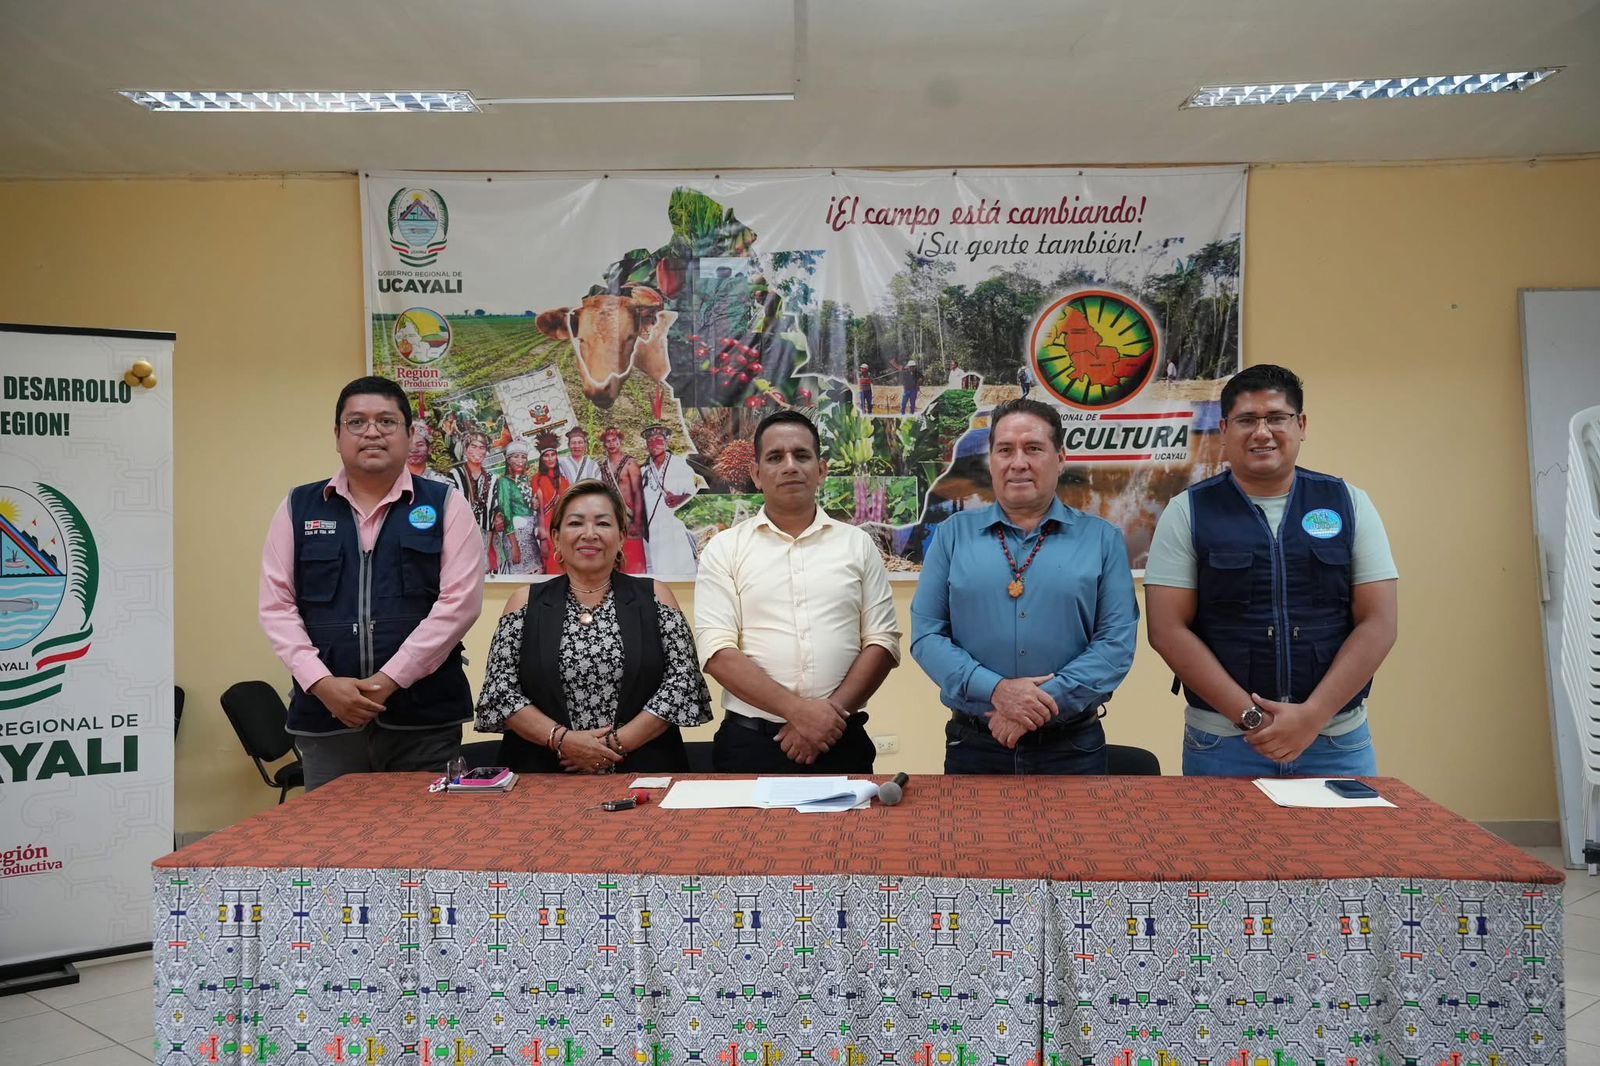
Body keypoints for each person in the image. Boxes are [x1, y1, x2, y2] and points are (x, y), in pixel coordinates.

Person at [1144, 364, 1398, 777]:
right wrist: (1253, 719)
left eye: (1277, 418)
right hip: (1225, 743)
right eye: (1246, 420)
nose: (1262, 433)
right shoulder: (1187, 512)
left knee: (1348, 827)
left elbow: (1379, 622)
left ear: (1301, 425)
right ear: (1224, 430)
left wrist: (1312, 716)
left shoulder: (1349, 503)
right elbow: (1167, 630)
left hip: (1335, 741)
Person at [259, 376, 485, 791]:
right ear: (337, 434)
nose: (372, 432)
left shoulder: (446, 504)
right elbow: (277, 607)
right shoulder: (298, 507)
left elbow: (460, 605)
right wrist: (321, 683)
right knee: (332, 831)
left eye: (386, 421)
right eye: (357, 422)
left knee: (424, 830)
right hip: (326, 719)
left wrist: (388, 681)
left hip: (424, 721)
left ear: (409, 434)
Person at [910, 397, 1138, 774]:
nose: (1018, 462)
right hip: (974, 746)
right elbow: (927, 635)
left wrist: (1035, 704)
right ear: (991, 460)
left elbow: (1116, 645)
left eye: (1033, 448)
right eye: (1005, 450)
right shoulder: (952, 536)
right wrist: (997, 691)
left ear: (1060, 458)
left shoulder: (1102, 540)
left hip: (1072, 749)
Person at [695, 410, 901, 772]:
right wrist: (800, 713)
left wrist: (825, 720)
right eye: (775, 457)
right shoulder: (724, 549)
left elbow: (882, 643)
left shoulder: (857, 545)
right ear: (756, 474)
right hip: (751, 746)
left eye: (801, 455)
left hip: (841, 740)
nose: (789, 466)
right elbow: (717, 652)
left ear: (821, 470)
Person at [475, 481, 712, 774]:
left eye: (603, 523)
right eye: (576, 523)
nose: (590, 534)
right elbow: (500, 690)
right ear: (556, 537)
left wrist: (611, 746)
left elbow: (682, 682)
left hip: (644, 769)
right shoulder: (524, 603)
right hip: (542, 772)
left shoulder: (655, 597)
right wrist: (563, 741)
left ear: (621, 537)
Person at [639, 424, 699, 577]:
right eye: (650, 441)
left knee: (680, 565)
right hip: (653, 528)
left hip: (674, 525)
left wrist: (680, 499)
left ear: (666, 442)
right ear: (646, 445)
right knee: (658, 568)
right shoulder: (643, 471)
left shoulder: (680, 465)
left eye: (658, 440)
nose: (654, 444)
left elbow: (693, 493)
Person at [598, 425, 649, 574]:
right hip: (612, 519)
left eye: (614, 440)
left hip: (630, 518)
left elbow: (638, 494)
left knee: (634, 561)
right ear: (604, 444)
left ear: (620, 441)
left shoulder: (630, 463)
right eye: (608, 441)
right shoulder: (602, 466)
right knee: (615, 559)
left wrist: (637, 522)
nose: (612, 444)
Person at [495, 440, 544, 575]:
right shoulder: (504, 482)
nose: (520, 461)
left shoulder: (526, 480)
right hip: (516, 537)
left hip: (531, 535)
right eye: (516, 457)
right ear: (508, 459)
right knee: (521, 575)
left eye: (523, 457)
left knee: (537, 572)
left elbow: (529, 503)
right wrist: (515, 546)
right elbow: (506, 513)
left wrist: (534, 503)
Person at [532, 432, 570, 575]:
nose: (550, 458)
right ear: (541, 458)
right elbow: (540, 511)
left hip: (565, 530)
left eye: (553, 455)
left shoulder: (564, 480)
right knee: (553, 568)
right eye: (546, 456)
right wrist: (543, 538)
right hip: (548, 531)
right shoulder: (537, 479)